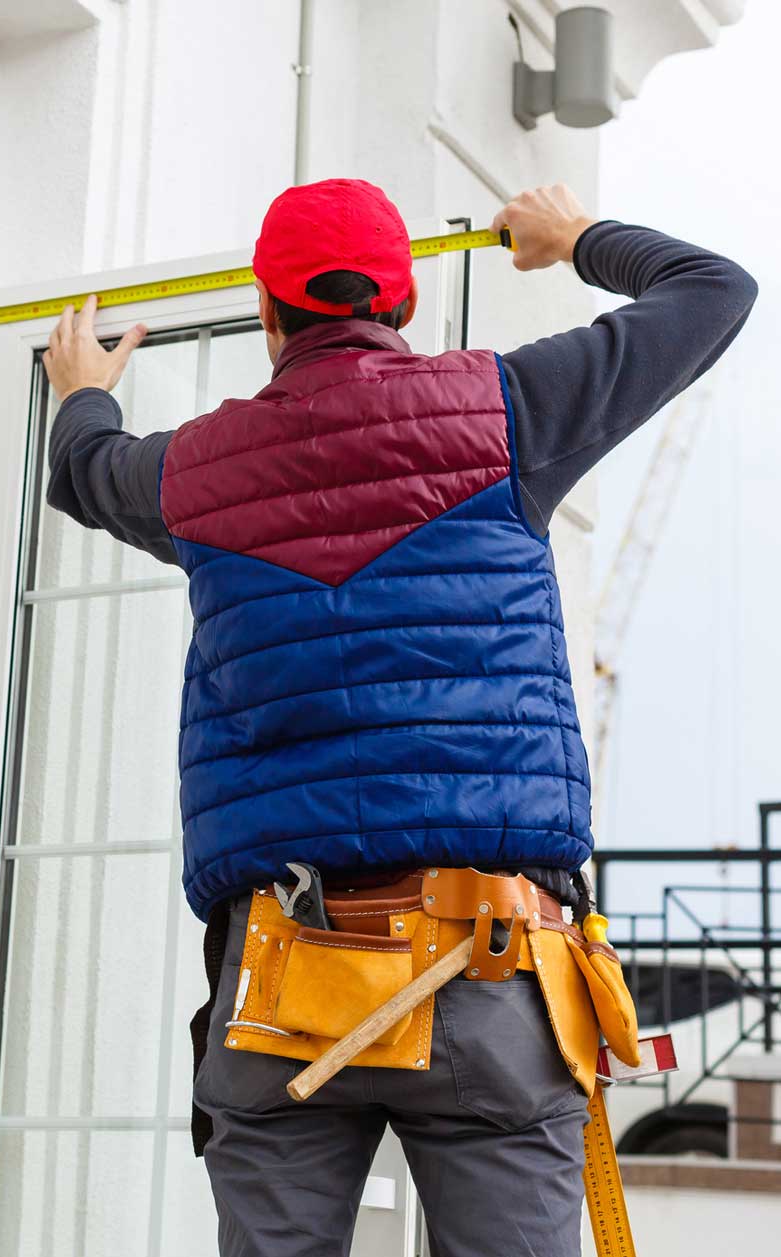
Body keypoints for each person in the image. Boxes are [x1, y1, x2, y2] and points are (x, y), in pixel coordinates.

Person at [43, 180, 757, 1257]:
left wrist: (83, 390)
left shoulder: (194, 472)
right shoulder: (511, 411)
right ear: (407, 300)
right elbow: (714, 288)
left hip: (283, 977)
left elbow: (87, 471)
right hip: (493, 962)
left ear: (268, 314)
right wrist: (573, 241)